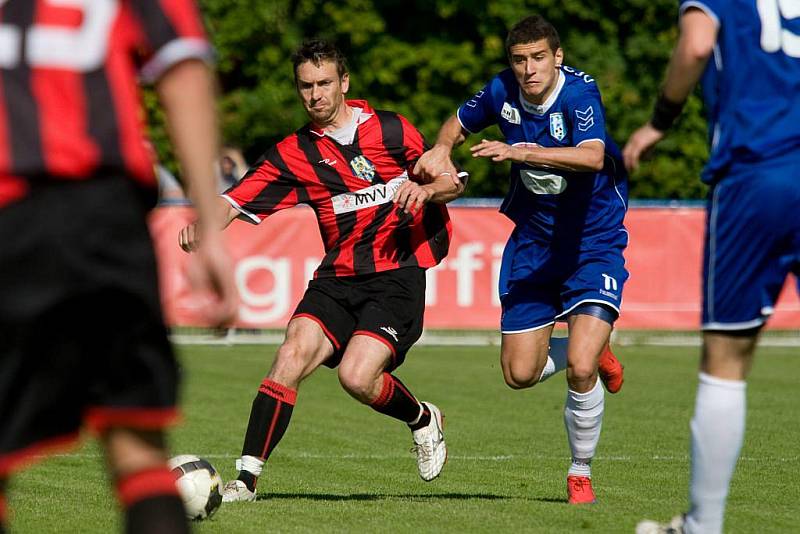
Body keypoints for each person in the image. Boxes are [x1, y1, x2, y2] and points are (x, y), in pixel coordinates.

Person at [179, 38, 465, 502]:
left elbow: (448, 181)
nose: (315, 94)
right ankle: (246, 481)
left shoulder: (392, 130)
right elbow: (234, 199)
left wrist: (427, 193)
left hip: (397, 274)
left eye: (324, 83)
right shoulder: (294, 153)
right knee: (290, 355)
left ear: (344, 82)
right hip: (337, 278)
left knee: (356, 377)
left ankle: (422, 418)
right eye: (306, 86)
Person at [0, 1, 238, 533]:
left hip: (9, 217)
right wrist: (208, 219)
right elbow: (184, 69)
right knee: (137, 449)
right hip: (103, 217)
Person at [414, 14, 627, 505]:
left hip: (591, 243)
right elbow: (459, 121)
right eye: (518, 60)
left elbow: (593, 157)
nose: (528, 69)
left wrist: (521, 151)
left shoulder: (578, 95)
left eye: (537, 58)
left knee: (577, 368)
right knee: (519, 375)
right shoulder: (501, 90)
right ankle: (597, 351)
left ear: (557, 57)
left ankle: (579, 473)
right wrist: (443, 147)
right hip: (533, 243)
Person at [624, 1, 800, 532]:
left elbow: (698, 42)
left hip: (758, 174)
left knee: (726, 357)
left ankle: (704, 524)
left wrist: (659, 122)